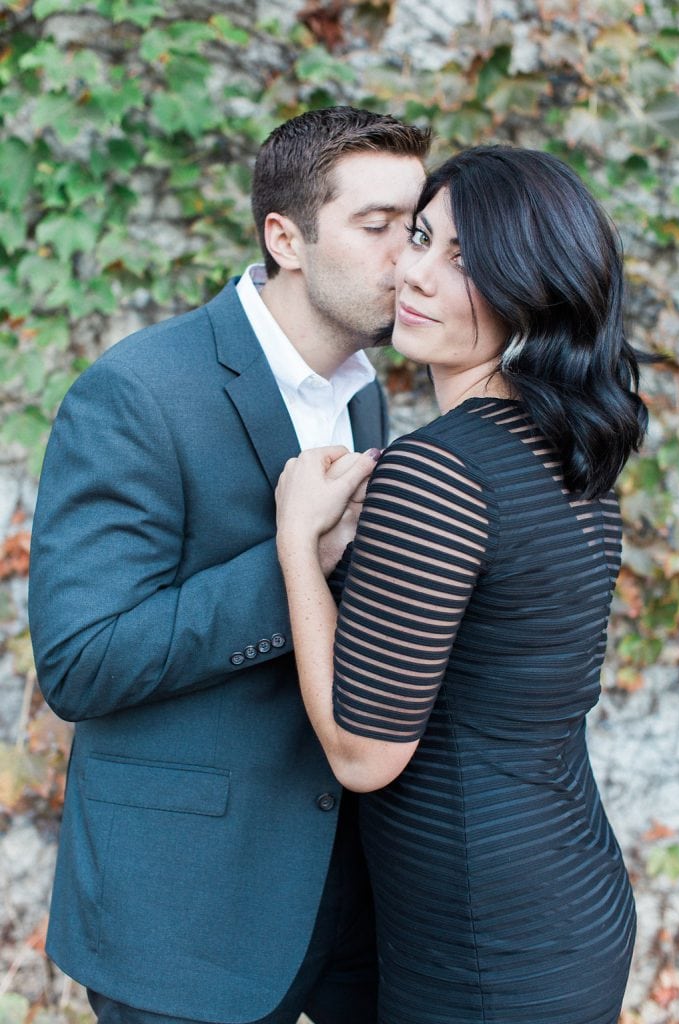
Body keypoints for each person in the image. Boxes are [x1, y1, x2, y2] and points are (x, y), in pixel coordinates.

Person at [28, 106, 430, 1024]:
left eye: (414, 231)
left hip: (342, 901)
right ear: (284, 237)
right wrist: (299, 561)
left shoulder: (367, 401)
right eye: (375, 229)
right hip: (186, 916)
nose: (407, 262)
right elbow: (81, 662)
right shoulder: (138, 392)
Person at [275, 145, 646, 1024]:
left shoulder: (439, 472)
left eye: (464, 262)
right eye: (419, 237)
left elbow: (364, 755)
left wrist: (297, 544)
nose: (416, 276)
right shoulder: (564, 451)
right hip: (566, 899)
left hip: (489, 938)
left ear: (533, 291)